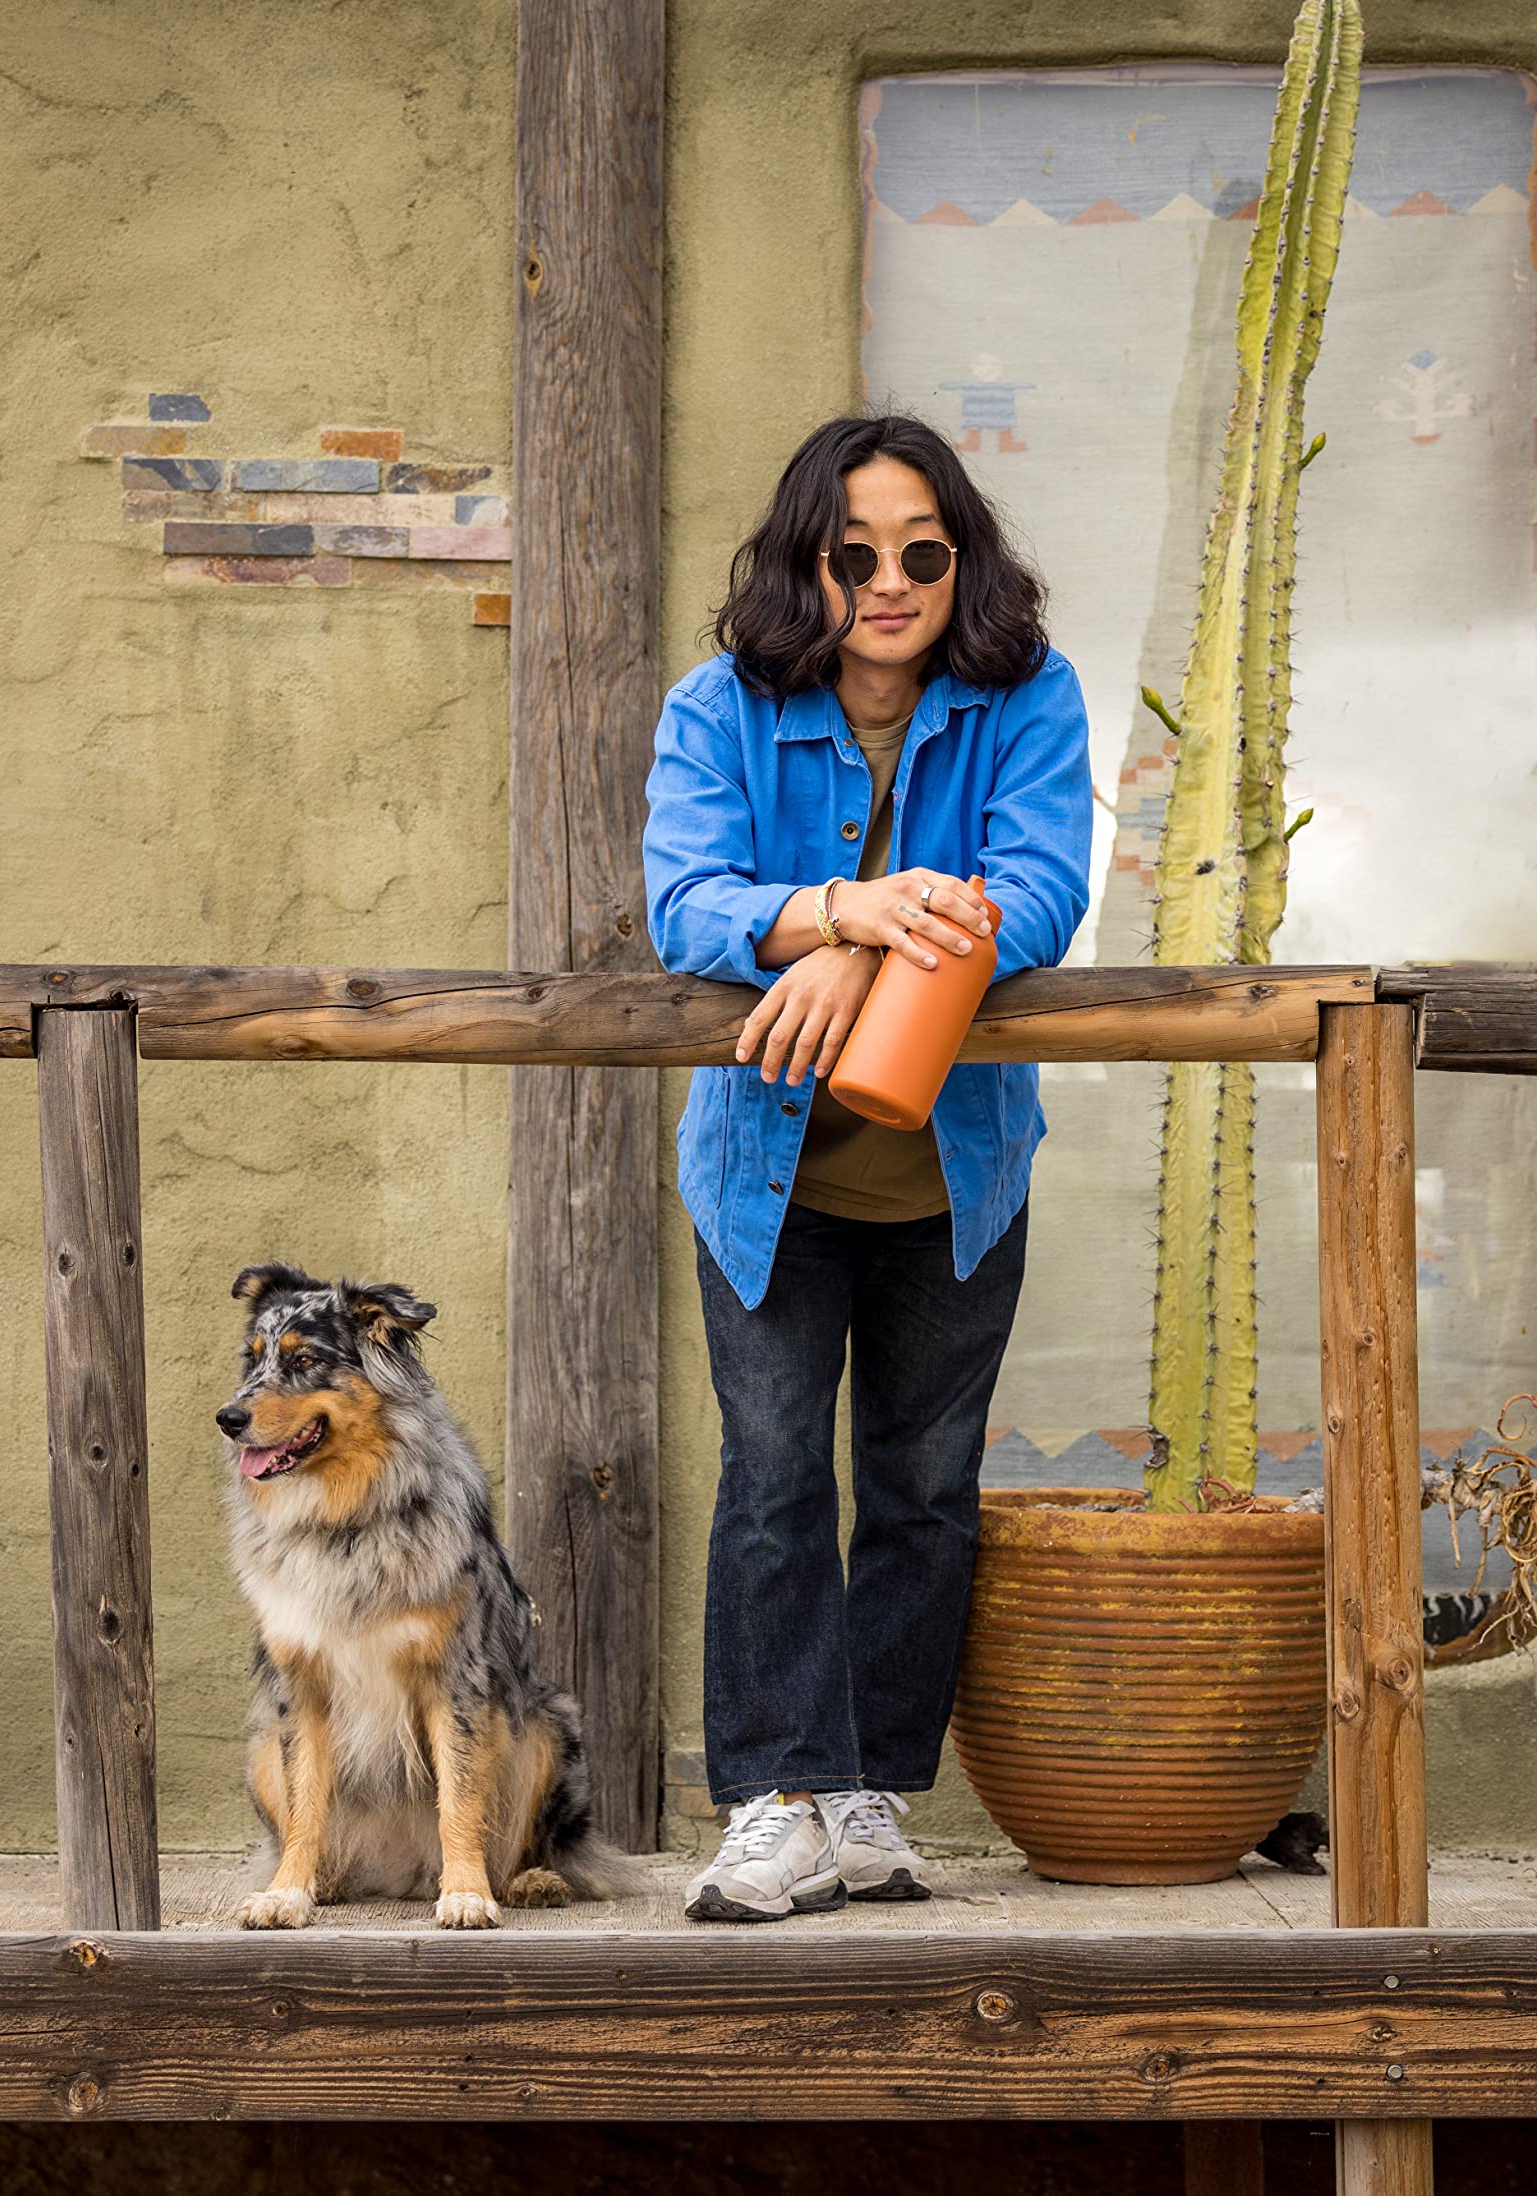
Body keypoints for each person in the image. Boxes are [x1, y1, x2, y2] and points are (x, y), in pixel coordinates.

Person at [641, 413, 1092, 1922]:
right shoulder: (720, 707)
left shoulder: (1027, 695)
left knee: (920, 1489)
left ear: (962, 562)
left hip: (956, 1177)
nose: (888, 584)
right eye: (853, 556)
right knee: (774, 1486)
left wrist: (872, 937)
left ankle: (863, 1797)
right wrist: (841, 912)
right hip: (767, 1182)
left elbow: (1040, 894)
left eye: (922, 553)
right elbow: (687, 904)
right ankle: (772, 1798)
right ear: (805, 564)